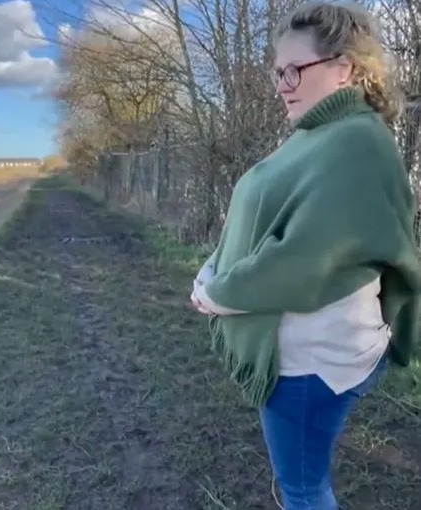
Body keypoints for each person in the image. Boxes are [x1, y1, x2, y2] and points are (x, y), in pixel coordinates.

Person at [189, 2, 421, 509]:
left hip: (314, 359)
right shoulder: (317, 134)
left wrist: (216, 293)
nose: (280, 84)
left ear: (344, 67)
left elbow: (305, 260)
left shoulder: (357, 142)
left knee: (301, 488)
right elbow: (265, 225)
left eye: (294, 69)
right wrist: (213, 267)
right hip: (305, 348)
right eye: (277, 72)